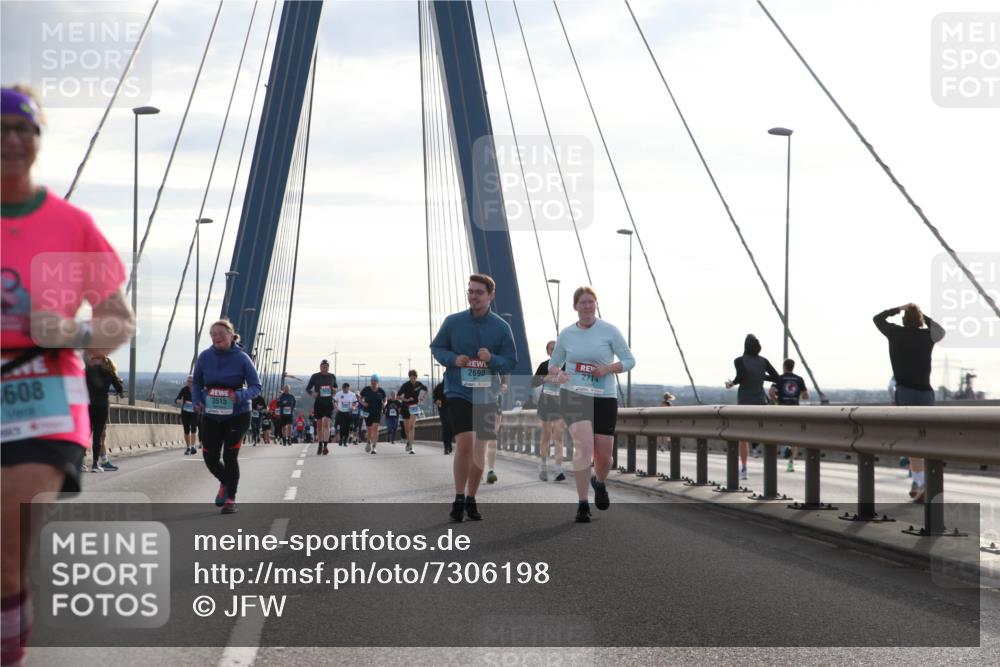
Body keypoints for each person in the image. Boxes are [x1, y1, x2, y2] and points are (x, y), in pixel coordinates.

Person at [1, 84, 135, 667]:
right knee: (10, 547)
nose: (10, 139)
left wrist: (69, 333)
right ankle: (15, 611)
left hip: (45, 398)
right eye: (0, 128)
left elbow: (116, 324)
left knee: (7, 519)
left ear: (37, 139)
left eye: (23, 128)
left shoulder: (72, 226)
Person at [431, 274, 517, 522]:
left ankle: (471, 498)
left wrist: (492, 359)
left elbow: (511, 361)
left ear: (491, 295)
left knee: (479, 446)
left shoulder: (502, 328)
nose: (473, 296)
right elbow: (437, 347)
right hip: (458, 390)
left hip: (486, 393)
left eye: (479, 292)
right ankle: (458, 497)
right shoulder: (453, 322)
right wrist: (452, 359)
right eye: (470, 291)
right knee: (466, 442)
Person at [546, 286, 634, 523]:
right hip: (574, 395)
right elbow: (553, 365)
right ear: (575, 307)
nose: (586, 306)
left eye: (590, 302)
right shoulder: (566, 334)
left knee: (604, 457)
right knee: (584, 447)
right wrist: (559, 374)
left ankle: (600, 481)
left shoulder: (609, 331)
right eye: (582, 302)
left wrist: (608, 368)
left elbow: (629, 360)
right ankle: (583, 503)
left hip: (604, 396)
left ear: (596, 304)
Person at [874, 303, 945, 503]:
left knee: (913, 441)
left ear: (904, 320)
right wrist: (924, 316)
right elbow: (940, 331)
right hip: (926, 393)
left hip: (905, 393)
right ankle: (922, 480)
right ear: (920, 320)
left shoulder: (895, 333)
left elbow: (877, 319)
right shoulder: (926, 337)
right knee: (926, 439)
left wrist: (897, 309)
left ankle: (920, 481)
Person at [192, 319, 261, 514]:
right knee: (209, 457)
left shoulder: (242, 358)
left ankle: (231, 499)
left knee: (230, 456)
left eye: (221, 333)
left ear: (231, 335)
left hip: (238, 414)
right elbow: (197, 383)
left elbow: (256, 387)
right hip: (211, 414)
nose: (216, 337)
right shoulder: (205, 357)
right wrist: (197, 399)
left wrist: (238, 396)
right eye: (213, 334)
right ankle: (225, 481)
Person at [724, 334, 779, 480]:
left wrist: (732, 383)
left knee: (743, 437)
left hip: (745, 403)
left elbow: (741, 376)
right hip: (761, 402)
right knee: (763, 433)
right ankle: (767, 465)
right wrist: (761, 376)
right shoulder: (764, 361)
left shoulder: (739, 360)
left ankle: (744, 468)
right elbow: (776, 377)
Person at [532, 341, 566, 482]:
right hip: (545, 402)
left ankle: (558, 469)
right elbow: (533, 383)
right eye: (552, 349)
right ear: (548, 352)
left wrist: (564, 380)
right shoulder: (544, 365)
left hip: (560, 403)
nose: (554, 351)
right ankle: (543, 465)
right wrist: (546, 378)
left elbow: (573, 382)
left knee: (558, 435)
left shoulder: (566, 365)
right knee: (546, 435)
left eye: (557, 348)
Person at [84, 353, 124, 473]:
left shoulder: (88, 371)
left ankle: (80, 463)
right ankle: (95, 464)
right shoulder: (110, 372)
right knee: (98, 435)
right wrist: (119, 381)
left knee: (86, 434)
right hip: (102, 405)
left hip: (88, 404)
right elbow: (119, 389)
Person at [768, 359, 809, 471]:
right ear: (793, 367)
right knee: (794, 436)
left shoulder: (779, 379)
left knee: (780, 432)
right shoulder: (799, 379)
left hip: (782, 409)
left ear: (784, 366)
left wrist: (776, 399)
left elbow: (771, 393)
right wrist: (796, 396)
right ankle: (791, 463)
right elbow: (806, 396)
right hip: (795, 410)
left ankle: (783, 449)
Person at [305, 359, 337, 455]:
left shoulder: (332, 376)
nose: (325, 368)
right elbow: (308, 388)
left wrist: (335, 390)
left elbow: (335, 386)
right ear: (320, 367)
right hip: (318, 403)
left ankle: (326, 446)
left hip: (328, 403)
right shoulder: (315, 376)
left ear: (328, 367)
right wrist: (312, 393)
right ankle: (320, 444)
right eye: (323, 366)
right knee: (319, 425)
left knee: (326, 424)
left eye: (326, 366)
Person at [397, 370, 428, 455]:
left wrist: (423, 398)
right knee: (407, 429)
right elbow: (398, 396)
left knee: (412, 426)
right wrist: (406, 399)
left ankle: (411, 447)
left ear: (416, 377)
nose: (413, 380)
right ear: (409, 377)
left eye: (414, 378)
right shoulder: (405, 385)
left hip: (414, 407)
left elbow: (426, 390)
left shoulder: (419, 384)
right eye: (411, 378)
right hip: (405, 407)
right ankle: (408, 441)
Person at [484, 382, 507, 484]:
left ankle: (490, 471)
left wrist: (496, 428)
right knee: (479, 442)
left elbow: (498, 414)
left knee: (492, 440)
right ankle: (478, 467)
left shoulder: (497, 395)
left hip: (493, 407)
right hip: (476, 403)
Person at [360, 374, 387, 454]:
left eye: (375, 381)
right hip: (367, 412)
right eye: (372, 381)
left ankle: (374, 447)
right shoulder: (366, 389)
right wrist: (363, 403)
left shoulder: (381, 391)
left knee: (375, 428)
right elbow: (359, 397)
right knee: (369, 430)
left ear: (378, 382)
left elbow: (385, 400)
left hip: (377, 412)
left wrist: (384, 404)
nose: (373, 382)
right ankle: (368, 441)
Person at [175, 375, 199, 454]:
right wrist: (180, 401)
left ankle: (192, 446)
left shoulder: (197, 390)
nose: (190, 383)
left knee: (193, 429)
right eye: (188, 381)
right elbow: (177, 399)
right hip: (185, 413)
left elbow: (202, 400)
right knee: (186, 430)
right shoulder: (184, 390)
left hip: (194, 413)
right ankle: (188, 447)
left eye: (191, 381)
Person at [333, 383, 356, 448]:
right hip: (341, 412)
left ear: (348, 388)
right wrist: (335, 406)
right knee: (342, 427)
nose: (345, 390)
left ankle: (345, 441)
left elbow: (355, 402)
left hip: (348, 413)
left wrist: (354, 407)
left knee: (347, 428)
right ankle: (341, 439)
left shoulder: (352, 394)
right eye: (344, 388)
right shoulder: (338, 394)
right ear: (342, 388)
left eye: (346, 389)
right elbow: (334, 401)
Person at [433, 382, 453, 454]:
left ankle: (449, 442)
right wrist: (437, 400)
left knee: (452, 427)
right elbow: (434, 397)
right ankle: (446, 447)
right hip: (443, 409)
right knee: (445, 426)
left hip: (453, 409)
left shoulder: (454, 385)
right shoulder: (439, 387)